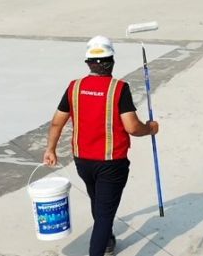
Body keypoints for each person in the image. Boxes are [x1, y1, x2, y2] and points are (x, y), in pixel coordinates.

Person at [43, 36, 159, 256]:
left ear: (88, 62)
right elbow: (133, 127)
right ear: (111, 61)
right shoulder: (119, 89)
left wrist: (50, 149)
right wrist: (150, 128)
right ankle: (100, 247)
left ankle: (107, 241)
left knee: (98, 203)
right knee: (104, 214)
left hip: (83, 161)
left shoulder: (74, 87)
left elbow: (57, 121)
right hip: (111, 163)